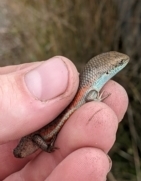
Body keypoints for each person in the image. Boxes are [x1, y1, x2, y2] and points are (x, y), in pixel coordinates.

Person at [0, 56, 128, 180]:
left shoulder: (34, 137)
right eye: (20, 153)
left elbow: (36, 138)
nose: (20, 154)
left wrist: (48, 148)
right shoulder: (32, 137)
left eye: (20, 152)